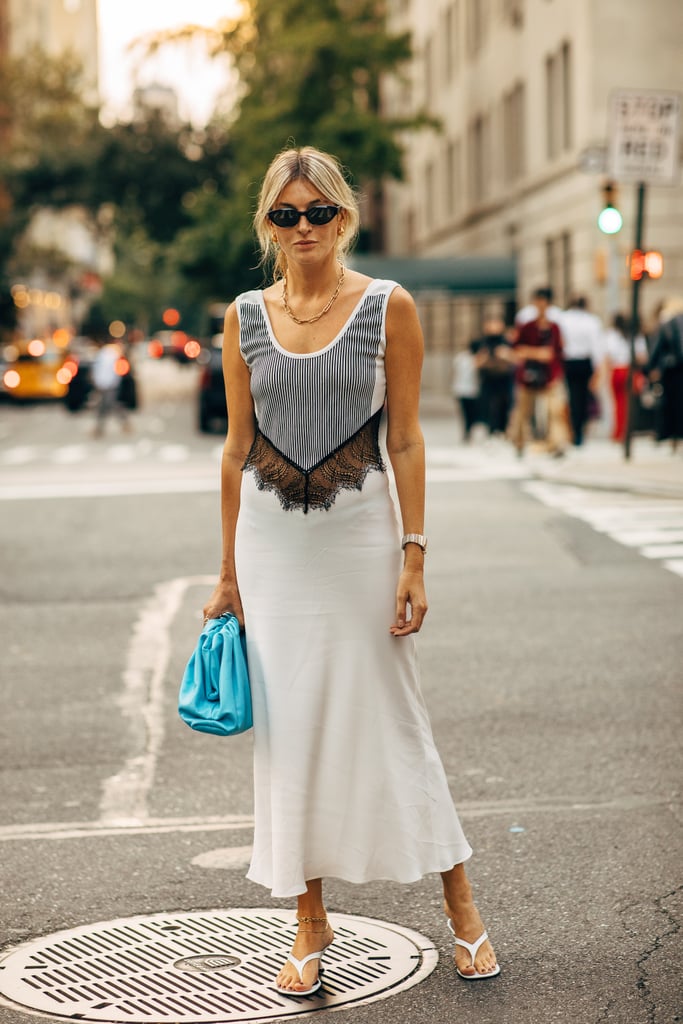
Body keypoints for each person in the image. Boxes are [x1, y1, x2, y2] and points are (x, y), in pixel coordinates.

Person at [203, 146, 499, 996]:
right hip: (270, 549)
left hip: (362, 538)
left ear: (344, 217)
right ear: (268, 223)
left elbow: (404, 437)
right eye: (287, 215)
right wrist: (227, 573)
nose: (304, 228)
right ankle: (308, 921)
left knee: (395, 720)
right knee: (289, 733)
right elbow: (232, 450)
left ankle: (463, 914)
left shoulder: (386, 307)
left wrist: (415, 555)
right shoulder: (243, 316)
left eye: (319, 212)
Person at [509, 288, 567, 457]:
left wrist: (554, 369)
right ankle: (518, 442)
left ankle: (556, 443)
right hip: (528, 375)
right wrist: (536, 353)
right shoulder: (526, 326)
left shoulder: (555, 327)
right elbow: (517, 349)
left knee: (554, 411)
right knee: (522, 412)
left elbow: (557, 353)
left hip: (549, 375)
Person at [557, 297, 603, 446]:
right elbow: (596, 346)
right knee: (583, 398)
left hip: (569, 361)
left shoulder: (563, 319)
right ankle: (579, 431)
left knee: (572, 397)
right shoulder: (591, 321)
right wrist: (597, 369)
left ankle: (575, 430)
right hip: (584, 361)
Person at [602, 314, 648, 442]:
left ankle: (619, 432)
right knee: (628, 404)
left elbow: (608, 357)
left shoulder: (611, 335)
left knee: (618, 403)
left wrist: (605, 374)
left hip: (617, 370)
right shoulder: (636, 336)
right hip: (629, 370)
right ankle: (626, 431)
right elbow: (642, 356)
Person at [647, 297, 683, 448]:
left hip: (670, 368)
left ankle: (672, 434)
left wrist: (651, 367)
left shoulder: (666, 323)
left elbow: (657, 348)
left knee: (670, 402)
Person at [471, 317, 515, 435]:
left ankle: (503, 430)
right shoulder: (481, 343)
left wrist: (505, 355)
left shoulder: (507, 341)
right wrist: (484, 358)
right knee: (488, 406)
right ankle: (491, 430)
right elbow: (476, 362)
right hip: (488, 379)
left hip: (504, 378)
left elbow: (515, 358)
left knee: (505, 405)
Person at [90, 338, 131, 437]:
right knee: (106, 405)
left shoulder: (106, 355)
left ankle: (100, 429)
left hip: (107, 384)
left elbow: (99, 370)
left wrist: (98, 382)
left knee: (108, 405)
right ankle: (100, 429)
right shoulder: (110, 355)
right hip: (108, 384)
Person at [452, 340, 481, 441]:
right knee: (469, 413)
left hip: (461, 390)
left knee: (467, 413)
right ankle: (468, 430)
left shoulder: (460, 357)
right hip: (470, 390)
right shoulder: (476, 359)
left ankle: (467, 431)